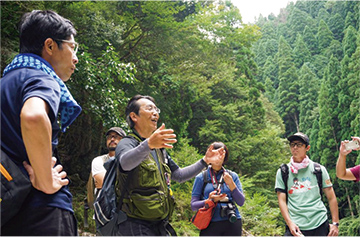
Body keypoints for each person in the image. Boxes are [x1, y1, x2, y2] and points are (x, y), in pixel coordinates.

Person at [1, 10, 81, 235]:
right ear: (50, 46)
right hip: (43, 211)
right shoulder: (42, 77)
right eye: (72, 47)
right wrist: (45, 177)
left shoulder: (6, 82)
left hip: (8, 207)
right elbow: (33, 116)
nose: (75, 57)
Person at [113, 94, 224, 236]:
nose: (155, 113)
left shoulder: (159, 149)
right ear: (134, 116)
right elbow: (125, 163)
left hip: (159, 224)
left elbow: (178, 175)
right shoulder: (127, 143)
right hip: (134, 223)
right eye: (149, 108)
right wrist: (148, 144)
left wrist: (204, 161)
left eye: (156, 109)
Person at [275, 132, 339, 236]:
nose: (295, 147)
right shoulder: (283, 172)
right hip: (296, 226)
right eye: (292, 144)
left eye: (299, 144)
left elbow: (331, 197)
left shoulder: (319, 169)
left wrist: (335, 223)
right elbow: (281, 200)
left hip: (320, 223)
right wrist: (289, 223)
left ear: (307, 148)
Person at [191, 142, 245, 236]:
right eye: (215, 154)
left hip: (232, 221)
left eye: (221, 154)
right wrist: (209, 200)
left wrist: (232, 185)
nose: (218, 157)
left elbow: (241, 202)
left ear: (225, 157)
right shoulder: (201, 177)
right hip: (209, 223)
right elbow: (193, 205)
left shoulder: (232, 176)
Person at [92, 127, 126, 192]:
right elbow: (103, 183)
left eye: (116, 137)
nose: (112, 139)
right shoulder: (99, 160)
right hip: (104, 200)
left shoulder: (129, 159)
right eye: (109, 137)